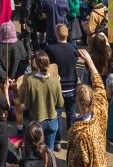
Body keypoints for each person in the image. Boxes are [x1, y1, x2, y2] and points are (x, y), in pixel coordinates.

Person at [66, 48, 107, 167]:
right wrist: (90, 62)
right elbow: (99, 85)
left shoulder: (79, 132)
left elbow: (76, 161)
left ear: (77, 100)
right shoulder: (101, 108)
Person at [17, 51, 64, 154]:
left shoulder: (30, 81)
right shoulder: (55, 81)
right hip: (52, 121)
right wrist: (58, 85)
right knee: (49, 152)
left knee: (36, 152)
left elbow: (27, 105)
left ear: (36, 64)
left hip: (37, 123)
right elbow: (60, 104)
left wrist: (19, 107)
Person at [44, 23, 77, 152]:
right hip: (72, 87)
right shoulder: (73, 49)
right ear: (67, 34)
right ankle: (71, 140)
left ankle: (57, 142)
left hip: (58, 87)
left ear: (56, 34)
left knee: (57, 114)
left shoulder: (50, 49)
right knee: (71, 114)